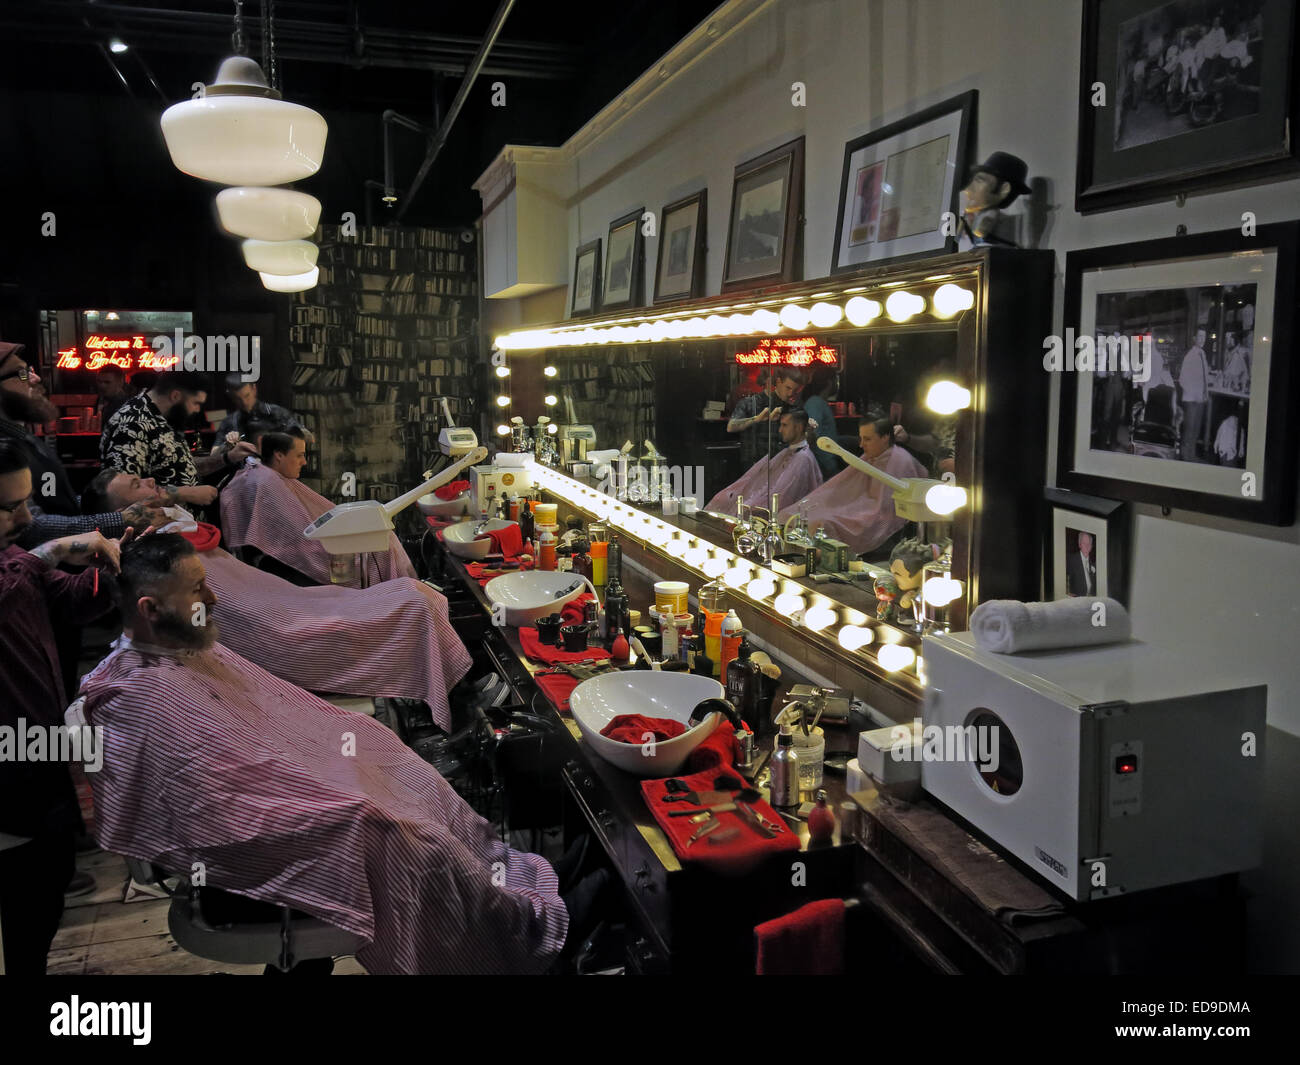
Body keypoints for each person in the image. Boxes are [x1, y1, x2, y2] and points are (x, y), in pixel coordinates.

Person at [77, 534, 569, 974]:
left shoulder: (186, 649)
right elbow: (211, 810)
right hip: (252, 848)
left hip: (306, 782)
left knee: (397, 767)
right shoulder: (137, 695)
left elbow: (271, 727)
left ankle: (502, 894)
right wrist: (343, 806)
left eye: (208, 582)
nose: (212, 598)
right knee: (408, 836)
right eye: (196, 590)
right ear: (150, 609)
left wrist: (341, 755)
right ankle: (503, 941)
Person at [92, 470, 473, 731]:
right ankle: (457, 705)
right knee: (415, 603)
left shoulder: (185, 534)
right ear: (124, 513)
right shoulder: (158, 561)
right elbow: (231, 606)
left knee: (414, 596)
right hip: (275, 621)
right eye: (135, 484)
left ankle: (456, 699)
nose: (150, 480)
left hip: (283, 600)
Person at [0, 439, 125, 974]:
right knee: (23, 900)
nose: (26, 517)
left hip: (38, 751)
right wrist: (46, 553)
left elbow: (70, 600)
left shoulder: (12, 556)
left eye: (26, 501)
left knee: (46, 887)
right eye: (9, 506)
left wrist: (116, 569)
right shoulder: (19, 562)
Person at [1, 341, 170, 545]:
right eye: (21, 374)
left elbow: (56, 504)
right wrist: (121, 519)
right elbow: (31, 527)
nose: (35, 378)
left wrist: (116, 502)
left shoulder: (23, 438)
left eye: (30, 371)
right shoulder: (4, 448)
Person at [221, 435, 418, 587]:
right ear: (279, 455)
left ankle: (401, 595)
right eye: (299, 455)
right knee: (385, 545)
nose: (305, 462)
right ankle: (398, 598)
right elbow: (299, 539)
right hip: (309, 551)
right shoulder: (267, 483)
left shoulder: (269, 478)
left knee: (386, 539)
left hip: (311, 541)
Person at [777, 415, 928, 557]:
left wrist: (845, 509)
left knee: (821, 523)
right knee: (789, 514)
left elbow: (884, 509)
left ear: (885, 438)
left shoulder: (900, 461)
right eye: (861, 438)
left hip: (868, 513)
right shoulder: (871, 456)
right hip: (852, 506)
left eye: (867, 439)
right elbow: (839, 486)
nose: (861, 444)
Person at [100, 370, 257, 486]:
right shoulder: (131, 424)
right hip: (158, 529)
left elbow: (181, 466)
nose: (197, 410)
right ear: (175, 396)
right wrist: (185, 494)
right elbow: (122, 492)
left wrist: (227, 457)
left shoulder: (168, 418)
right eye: (196, 403)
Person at [705, 408, 823, 515]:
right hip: (762, 503)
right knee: (722, 499)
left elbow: (783, 498)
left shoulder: (802, 459)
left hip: (779, 516)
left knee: (738, 508)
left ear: (798, 428)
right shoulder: (787, 453)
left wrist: (751, 504)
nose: (780, 430)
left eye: (784, 425)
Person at [727, 366, 803, 468]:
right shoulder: (750, 403)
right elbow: (731, 426)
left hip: (782, 467)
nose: (790, 394)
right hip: (754, 467)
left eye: (794, 391)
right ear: (778, 382)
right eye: (788, 388)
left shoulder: (792, 408)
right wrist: (756, 419)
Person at [215, 373, 309, 442]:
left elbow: (308, 437)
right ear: (231, 397)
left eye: (247, 395)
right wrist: (227, 445)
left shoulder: (277, 412)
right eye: (238, 399)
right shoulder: (229, 421)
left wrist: (280, 433)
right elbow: (214, 454)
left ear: (254, 389)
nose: (244, 402)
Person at [801, 365, 841, 478]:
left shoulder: (818, 402)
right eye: (836, 381)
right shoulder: (816, 403)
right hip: (823, 466)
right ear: (829, 382)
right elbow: (813, 436)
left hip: (826, 465)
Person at [1178, 328, 1210, 462]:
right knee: (1189, 428)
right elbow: (1182, 379)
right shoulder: (1190, 356)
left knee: (1196, 428)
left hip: (1200, 399)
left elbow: (1204, 377)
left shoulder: (1202, 354)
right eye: (1200, 336)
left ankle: (1191, 455)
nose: (1202, 339)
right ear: (1194, 338)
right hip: (1192, 400)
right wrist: (1194, 394)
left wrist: (1205, 393)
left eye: (1204, 336)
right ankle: (1185, 457)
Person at [1065, 530, 1097, 598]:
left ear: (1091, 547)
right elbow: (1063, 578)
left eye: (1089, 543)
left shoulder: (1094, 564)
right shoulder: (1071, 560)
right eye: (1084, 543)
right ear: (1079, 544)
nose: (1087, 546)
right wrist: (1067, 592)